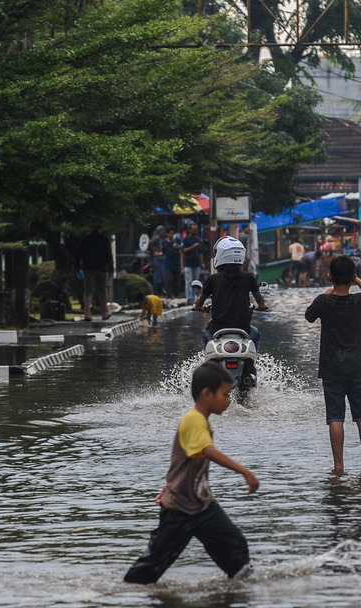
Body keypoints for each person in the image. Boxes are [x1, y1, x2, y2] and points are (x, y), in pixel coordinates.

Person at [123, 362, 260, 584]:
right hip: (179, 509)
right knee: (153, 564)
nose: (228, 400)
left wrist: (169, 485)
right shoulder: (194, 419)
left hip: (202, 505)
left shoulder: (200, 421)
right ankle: (124, 592)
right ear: (207, 394)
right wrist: (245, 472)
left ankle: (238, 594)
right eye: (225, 395)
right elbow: (207, 451)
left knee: (235, 544)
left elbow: (184, 462)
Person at [305, 255, 361, 474]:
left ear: (330, 276)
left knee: (335, 418)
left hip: (331, 369)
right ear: (352, 277)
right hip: (357, 368)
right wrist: (357, 281)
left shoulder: (323, 301)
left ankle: (339, 467)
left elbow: (309, 316)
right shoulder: (359, 302)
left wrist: (327, 292)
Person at [192, 237, 267, 346]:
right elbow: (260, 300)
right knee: (255, 334)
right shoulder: (249, 277)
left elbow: (199, 303)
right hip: (243, 329)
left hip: (217, 328)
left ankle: (209, 361)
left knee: (206, 335)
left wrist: (197, 307)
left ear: (221, 255)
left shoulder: (213, 279)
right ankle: (252, 361)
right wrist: (261, 306)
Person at [77, 225, 114, 321]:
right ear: (100, 229)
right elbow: (109, 256)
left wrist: (77, 267)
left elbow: (78, 253)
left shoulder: (85, 239)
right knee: (102, 291)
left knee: (88, 290)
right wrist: (111, 269)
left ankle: (87, 314)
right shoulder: (104, 239)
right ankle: (104, 313)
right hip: (102, 268)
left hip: (88, 267)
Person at [182, 224, 203, 303]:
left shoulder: (198, 239)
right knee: (189, 281)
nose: (195, 232)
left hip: (196, 263)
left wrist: (202, 262)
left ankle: (195, 298)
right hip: (188, 263)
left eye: (196, 230)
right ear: (189, 230)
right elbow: (183, 250)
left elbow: (200, 252)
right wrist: (194, 246)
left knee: (196, 281)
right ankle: (189, 298)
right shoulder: (185, 239)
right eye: (193, 230)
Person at [149, 226, 167, 296]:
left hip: (161, 258)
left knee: (161, 276)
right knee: (158, 276)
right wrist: (154, 252)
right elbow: (150, 244)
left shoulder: (161, 239)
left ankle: (161, 290)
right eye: (162, 231)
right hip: (158, 259)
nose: (163, 232)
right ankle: (157, 292)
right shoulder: (156, 238)